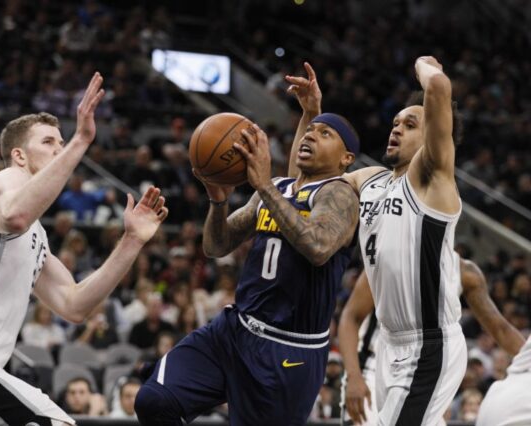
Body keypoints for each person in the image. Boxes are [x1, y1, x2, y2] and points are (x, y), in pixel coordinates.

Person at [0, 72, 169, 426]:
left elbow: (74, 305)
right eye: (48, 142)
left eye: (62, 142)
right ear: (19, 155)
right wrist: (81, 139)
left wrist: (131, 241)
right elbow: (15, 214)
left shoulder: (35, 235)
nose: (59, 148)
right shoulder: (3, 182)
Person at [135, 106, 361, 423]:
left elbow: (319, 247)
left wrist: (264, 186)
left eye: (326, 133)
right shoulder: (278, 188)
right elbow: (216, 245)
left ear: (346, 158)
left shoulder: (340, 195)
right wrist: (218, 201)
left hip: (288, 352)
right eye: (310, 130)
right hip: (234, 331)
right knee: (154, 401)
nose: (311, 134)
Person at [288, 57, 466, 425]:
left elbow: (438, 89)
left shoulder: (432, 179)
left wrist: (422, 64)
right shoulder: (369, 180)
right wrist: (311, 116)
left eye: (410, 123)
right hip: (387, 344)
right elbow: (301, 187)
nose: (397, 129)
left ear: (431, 133)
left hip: (429, 344)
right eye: (395, 122)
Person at [338, 254, 525, 425]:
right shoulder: (389, 258)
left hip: (423, 373)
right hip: (372, 368)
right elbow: (350, 317)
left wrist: (528, 359)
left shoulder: (463, 271)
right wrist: (354, 376)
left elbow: (501, 329)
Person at [476, 335, 531, 425]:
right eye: (498, 360)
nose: (500, 363)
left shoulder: (496, 387)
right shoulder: (490, 384)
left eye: (502, 360)